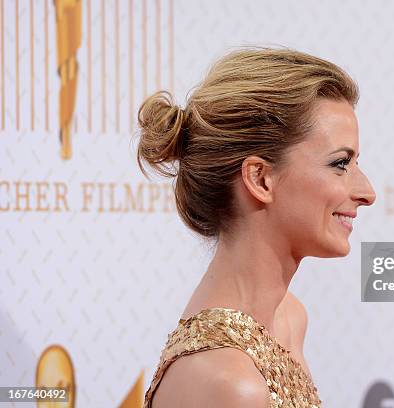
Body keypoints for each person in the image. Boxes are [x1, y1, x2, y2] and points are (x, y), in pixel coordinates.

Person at [136, 46, 376, 408]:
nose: (367, 193)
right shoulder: (228, 382)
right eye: (341, 163)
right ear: (261, 179)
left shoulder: (287, 318)